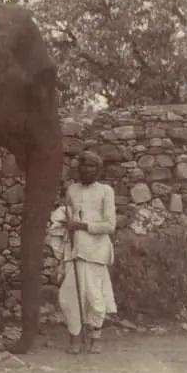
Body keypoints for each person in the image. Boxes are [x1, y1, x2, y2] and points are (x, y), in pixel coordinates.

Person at [54, 151, 117, 354]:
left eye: (91, 166)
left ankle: (94, 338)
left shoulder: (105, 191)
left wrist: (81, 225)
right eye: (84, 165)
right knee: (69, 297)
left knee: (95, 298)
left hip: (96, 252)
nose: (87, 169)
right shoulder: (71, 190)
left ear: (98, 170)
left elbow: (110, 225)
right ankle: (74, 338)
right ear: (78, 168)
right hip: (74, 251)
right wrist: (65, 222)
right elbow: (67, 217)